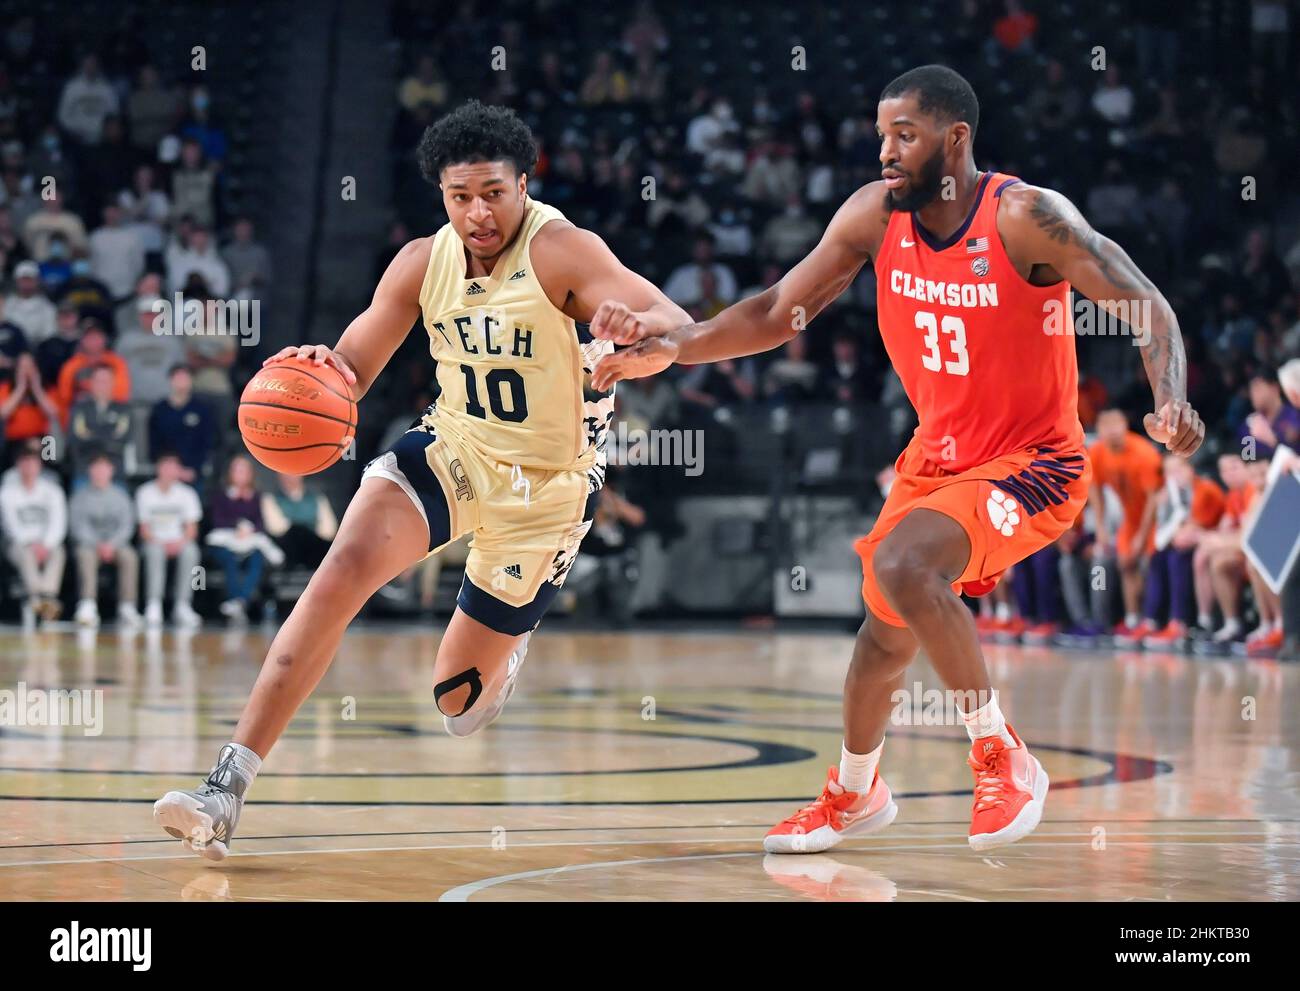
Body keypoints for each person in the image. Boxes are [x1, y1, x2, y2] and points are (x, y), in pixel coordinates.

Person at [592, 64, 1204, 853]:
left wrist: (1173, 396)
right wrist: (672, 347)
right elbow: (780, 310)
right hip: (938, 459)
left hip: (1035, 460)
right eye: (881, 133)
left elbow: (1142, 301)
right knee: (882, 638)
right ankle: (854, 790)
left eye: (904, 135)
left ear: (955, 140)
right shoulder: (876, 217)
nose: (886, 150)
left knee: (905, 566)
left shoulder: (1025, 218)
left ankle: (1000, 751)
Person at [153, 100, 689, 860]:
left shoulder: (562, 251)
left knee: (458, 706)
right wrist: (319, 376)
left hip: (548, 486)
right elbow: (353, 370)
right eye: (460, 195)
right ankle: (225, 787)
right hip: (456, 447)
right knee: (339, 570)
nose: (478, 212)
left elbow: (671, 318)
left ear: (524, 185)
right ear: (441, 193)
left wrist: (644, 339)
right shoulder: (419, 262)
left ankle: (509, 636)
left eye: (494, 193)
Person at [1088, 408, 1163, 642]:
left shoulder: (1144, 452)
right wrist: (1101, 526)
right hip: (1130, 519)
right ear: (1098, 430)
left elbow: (1154, 497)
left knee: (1150, 563)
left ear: (1125, 425)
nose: (1111, 431)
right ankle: (1131, 620)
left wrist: (1142, 535)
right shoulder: (1097, 452)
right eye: (1105, 425)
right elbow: (1094, 489)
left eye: (1115, 424)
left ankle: (1151, 621)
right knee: (1125, 564)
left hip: (1156, 519)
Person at [205, 455, 282, 623]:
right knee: (229, 559)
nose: (240, 474)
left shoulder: (256, 497)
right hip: (224, 543)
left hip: (249, 543)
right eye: (237, 470)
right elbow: (217, 520)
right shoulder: (220, 495)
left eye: (244, 470)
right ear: (230, 473)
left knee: (257, 558)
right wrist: (237, 527)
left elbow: (261, 523)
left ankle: (240, 600)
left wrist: (249, 529)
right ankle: (234, 597)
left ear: (251, 474)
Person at [70, 451, 140, 628]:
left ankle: (127, 606)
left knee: (129, 556)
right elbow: (77, 527)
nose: (100, 472)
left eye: (104, 468)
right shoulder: (80, 497)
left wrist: (112, 544)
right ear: (90, 471)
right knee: (85, 555)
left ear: (111, 470)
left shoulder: (121, 496)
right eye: (97, 468)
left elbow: (127, 526)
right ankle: (88, 604)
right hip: (90, 545)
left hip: (116, 545)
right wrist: (98, 545)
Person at [135, 451, 203, 629]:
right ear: (158, 468)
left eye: (173, 468)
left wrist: (179, 543)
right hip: (154, 541)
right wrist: (160, 542)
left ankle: (183, 605)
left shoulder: (187, 494)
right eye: (165, 467)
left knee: (191, 551)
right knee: (155, 552)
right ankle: (154, 604)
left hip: (179, 541)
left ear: (179, 470)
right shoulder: (145, 492)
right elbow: (144, 530)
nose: (169, 471)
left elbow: (192, 529)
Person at [0, 441, 66, 621]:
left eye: (33, 462)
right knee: (26, 553)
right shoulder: (7, 491)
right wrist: (31, 543)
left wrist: (46, 544)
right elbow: (10, 525)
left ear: (40, 465)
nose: (29, 467)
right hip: (19, 544)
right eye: (25, 462)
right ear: (18, 465)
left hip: (46, 543)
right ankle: (38, 597)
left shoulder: (52, 490)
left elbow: (58, 523)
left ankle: (46, 597)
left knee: (58, 552)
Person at [261, 472, 338, 570]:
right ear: (279, 476)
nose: (289, 478)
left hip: (314, 547)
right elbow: (276, 528)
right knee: (297, 532)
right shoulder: (271, 498)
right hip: (288, 548)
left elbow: (329, 530)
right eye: (285, 474)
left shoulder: (317, 498)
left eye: (293, 473)